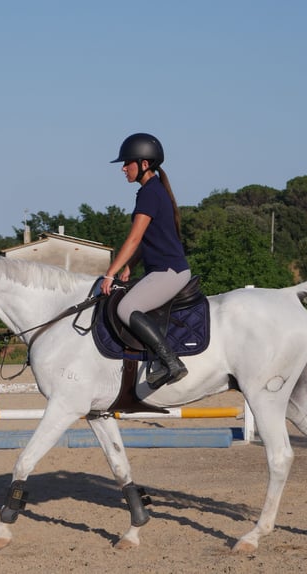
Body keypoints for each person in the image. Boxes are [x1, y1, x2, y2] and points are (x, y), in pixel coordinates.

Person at [100, 133, 191, 389]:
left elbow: (133, 238)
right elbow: (148, 240)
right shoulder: (153, 190)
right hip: (163, 269)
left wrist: (111, 272)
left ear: (144, 164)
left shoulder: (149, 193)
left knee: (126, 308)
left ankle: (170, 362)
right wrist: (130, 265)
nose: (123, 168)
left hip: (169, 271)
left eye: (127, 163)